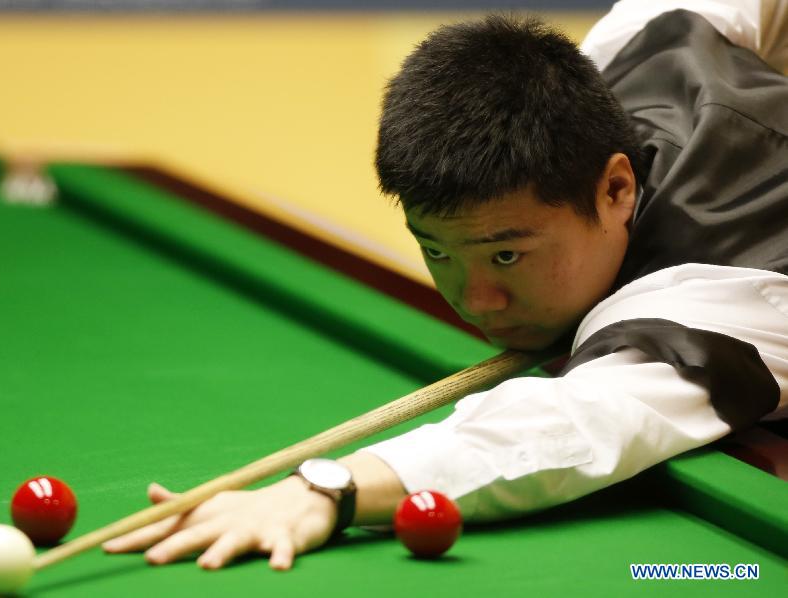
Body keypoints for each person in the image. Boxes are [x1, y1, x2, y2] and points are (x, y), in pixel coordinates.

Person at [103, 0, 788, 571]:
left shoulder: (718, 298)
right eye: (436, 252)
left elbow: (577, 423)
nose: (473, 300)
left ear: (616, 188)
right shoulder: (645, 42)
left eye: (508, 257)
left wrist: (328, 487)